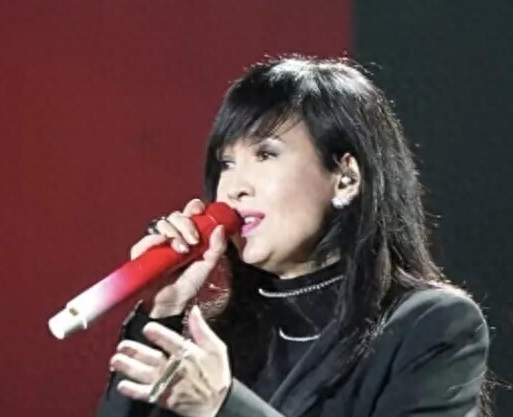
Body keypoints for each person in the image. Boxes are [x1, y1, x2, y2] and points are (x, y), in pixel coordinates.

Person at [96, 56, 490, 417]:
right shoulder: (212, 341)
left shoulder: (428, 326)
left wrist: (225, 405)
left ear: (346, 178)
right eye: (227, 163)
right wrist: (161, 314)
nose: (234, 187)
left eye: (265, 154)